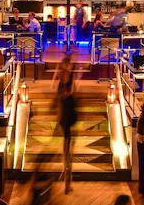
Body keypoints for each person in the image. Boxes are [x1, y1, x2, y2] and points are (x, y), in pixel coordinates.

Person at [53, 56, 78, 195]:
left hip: (67, 117)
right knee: (67, 148)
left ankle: (67, 177)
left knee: (67, 147)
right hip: (67, 118)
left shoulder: (69, 80)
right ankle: (67, 179)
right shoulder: (63, 87)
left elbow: (72, 91)